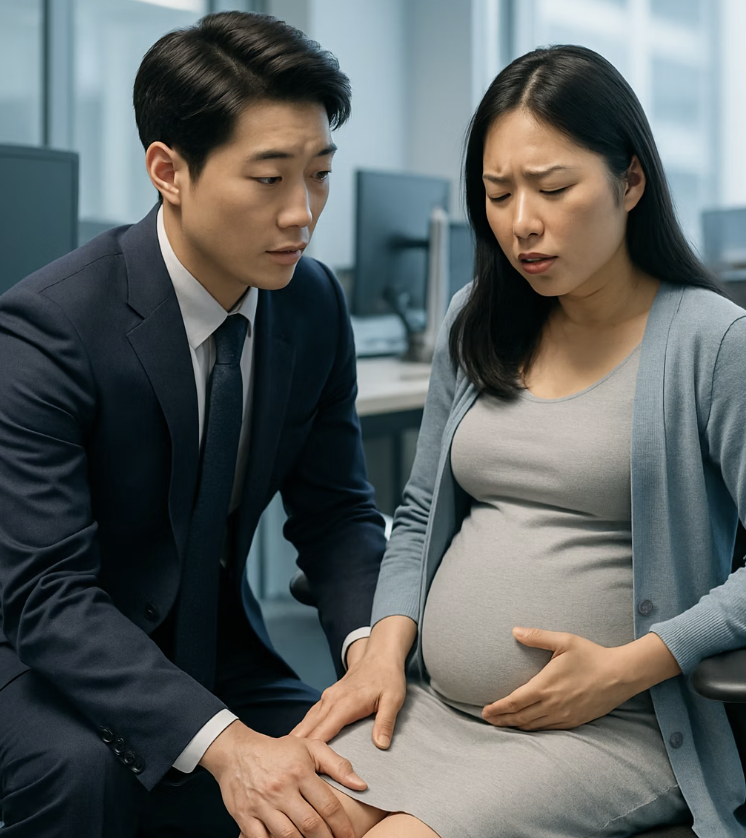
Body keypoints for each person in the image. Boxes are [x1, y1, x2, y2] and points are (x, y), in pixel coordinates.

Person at [292, 45, 746, 837]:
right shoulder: (478, 318)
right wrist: (382, 652)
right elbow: (421, 509)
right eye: (498, 195)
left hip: (611, 730)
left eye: (554, 188)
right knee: (276, 818)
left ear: (630, 181)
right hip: (430, 708)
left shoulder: (711, 341)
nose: (521, 222)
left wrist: (630, 667)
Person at [0, 11, 386, 838]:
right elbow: (46, 593)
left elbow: (339, 514)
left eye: (319, 174)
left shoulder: (312, 304)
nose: (303, 215)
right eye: (269, 178)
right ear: (168, 171)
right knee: (87, 776)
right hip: (43, 653)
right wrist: (227, 746)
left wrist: (369, 649)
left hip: (215, 637)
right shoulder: (50, 326)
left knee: (369, 770)